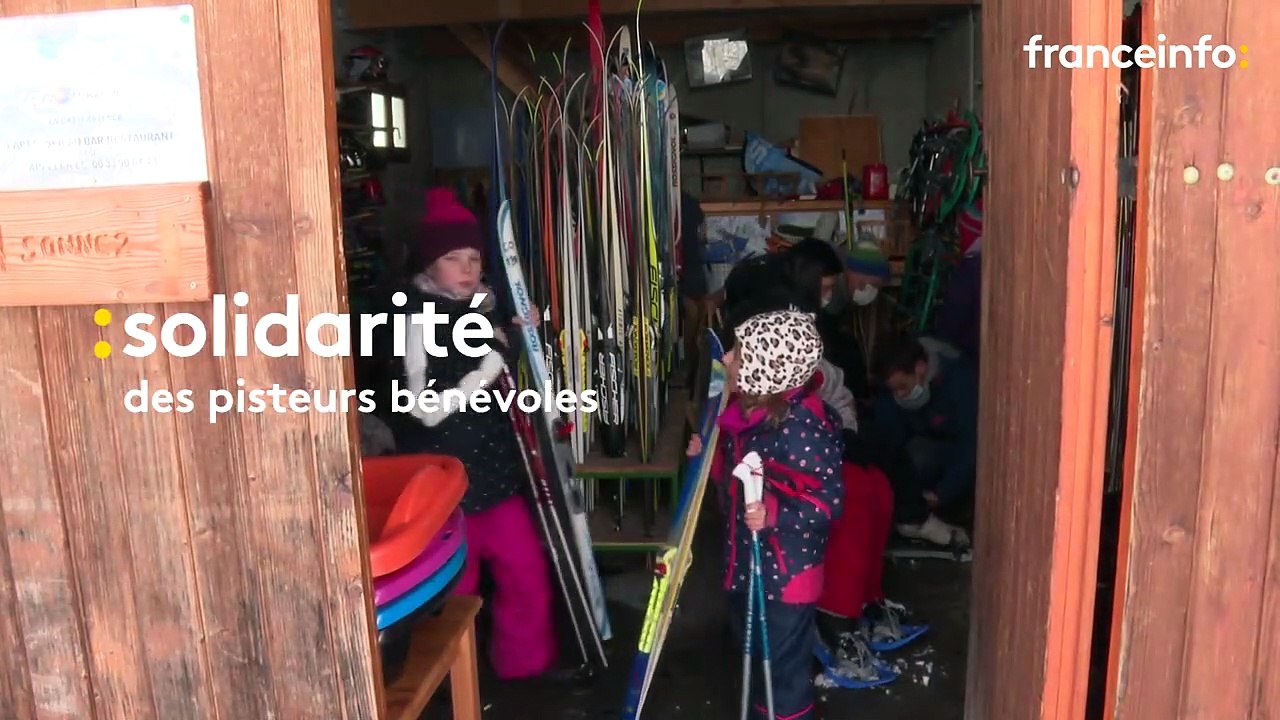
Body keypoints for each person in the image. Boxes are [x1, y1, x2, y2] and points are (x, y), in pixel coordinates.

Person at [388, 187, 560, 680]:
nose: (466, 267)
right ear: (428, 266)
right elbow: (424, 408)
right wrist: (495, 357)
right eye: (451, 258)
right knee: (453, 591)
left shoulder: (478, 309)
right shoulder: (415, 319)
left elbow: (490, 366)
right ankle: (452, 684)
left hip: (497, 474)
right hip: (446, 488)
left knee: (525, 573)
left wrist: (516, 336)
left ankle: (525, 668)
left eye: (473, 257)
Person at [691, 309, 844, 720]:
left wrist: (774, 512)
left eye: (739, 355)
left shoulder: (801, 430)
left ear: (767, 370)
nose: (727, 361)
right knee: (757, 662)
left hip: (786, 577)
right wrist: (705, 460)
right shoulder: (746, 416)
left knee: (783, 675)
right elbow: (735, 479)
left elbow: (828, 501)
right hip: (748, 565)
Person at [872, 334, 979, 528]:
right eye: (894, 390)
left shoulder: (958, 378)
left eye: (903, 387)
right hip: (925, 448)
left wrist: (942, 494)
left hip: (960, 453)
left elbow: (971, 444)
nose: (900, 395)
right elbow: (888, 438)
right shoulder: (891, 387)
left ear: (920, 368)